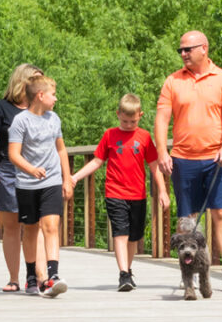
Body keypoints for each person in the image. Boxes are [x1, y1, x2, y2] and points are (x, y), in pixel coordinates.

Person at [155, 29, 222, 291]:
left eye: (188, 49)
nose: (183, 54)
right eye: (180, 50)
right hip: (183, 158)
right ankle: (188, 273)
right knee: (187, 219)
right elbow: (161, 119)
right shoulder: (173, 81)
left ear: (204, 48)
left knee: (221, 212)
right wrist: (162, 151)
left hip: (218, 158)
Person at [67, 93, 169, 292]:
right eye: (124, 121)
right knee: (120, 232)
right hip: (115, 191)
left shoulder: (145, 137)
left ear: (140, 115)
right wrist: (76, 177)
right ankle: (123, 274)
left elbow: (154, 165)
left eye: (133, 121)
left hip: (138, 194)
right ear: (118, 114)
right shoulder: (110, 135)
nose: (129, 124)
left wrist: (163, 191)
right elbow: (97, 161)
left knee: (133, 236)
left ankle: (127, 271)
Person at [5, 75, 70, 297]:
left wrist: (67, 177)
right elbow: (13, 154)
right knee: (31, 229)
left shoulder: (54, 119)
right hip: (27, 183)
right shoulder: (20, 121)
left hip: (51, 180)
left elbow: (61, 149)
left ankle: (53, 276)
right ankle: (31, 275)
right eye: (53, 94)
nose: (56, 98)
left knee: (52, 226)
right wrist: (31, 169)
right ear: (40, 96)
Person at [0, 63, 43, 293]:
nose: (41, 86)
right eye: (36, 80)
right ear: (23, 81)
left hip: (35, 169)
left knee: (35, 224)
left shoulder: (41, 108)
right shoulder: (1, 107)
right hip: (7, 170)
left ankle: (39, 276)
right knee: (11, 226)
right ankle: (14, 278)